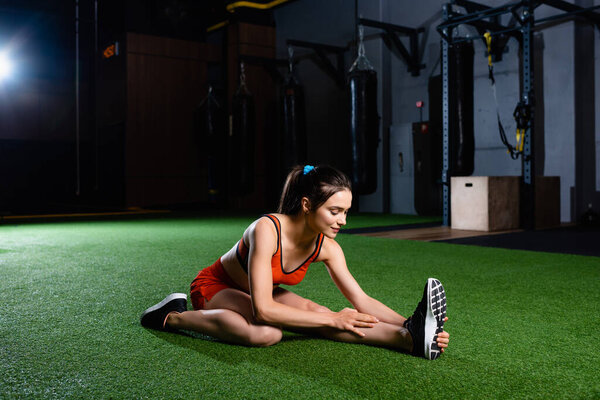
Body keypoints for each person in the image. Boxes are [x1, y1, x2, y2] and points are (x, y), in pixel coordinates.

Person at [141, 165, 450, 360]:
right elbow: (263, 310)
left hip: (260, 290)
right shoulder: (267, 230)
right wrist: (333, 319)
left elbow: (361, 300)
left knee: (319, 313)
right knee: (268, 332)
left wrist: (412, 322)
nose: (343, 220)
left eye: (346, 211)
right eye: (334, 211)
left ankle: (407, 339)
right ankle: (173, 316)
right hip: (215, 287)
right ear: (307, 205)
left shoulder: (327, 248)